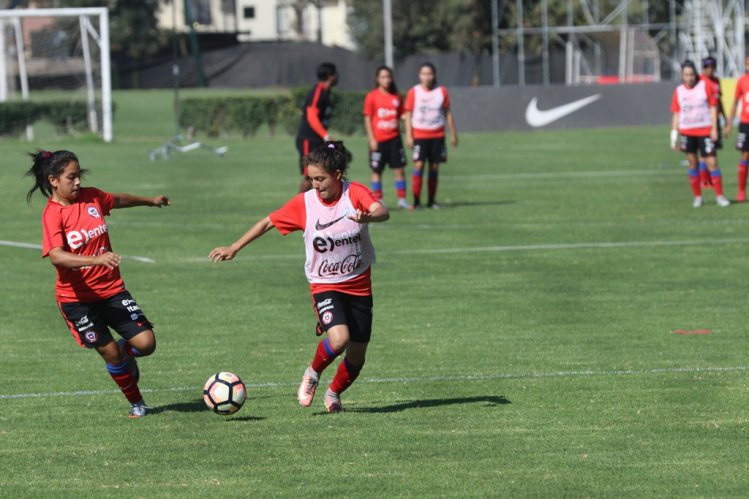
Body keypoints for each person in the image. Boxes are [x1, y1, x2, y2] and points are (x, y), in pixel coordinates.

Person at [209, 142, 389, 413]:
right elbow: (268, 221)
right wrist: (235, 247)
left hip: (359, 285)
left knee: (357, 355)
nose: (314, 185)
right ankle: (313, 373)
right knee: (339, 340)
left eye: (320, 179)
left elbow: (382, 211)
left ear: (337, 175)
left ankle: (333, 393)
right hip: (324, 285)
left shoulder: (355, 193)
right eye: (310, 179)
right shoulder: (305, 203)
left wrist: (369, 217)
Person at [25, 150, 171, 418]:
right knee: (111, 354)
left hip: (112, 291)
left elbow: (115, 200)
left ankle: (128, 356)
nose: (78, 181)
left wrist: (149, 201)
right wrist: (95, 258)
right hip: (77, 301)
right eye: (72, 177)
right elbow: (56, 256)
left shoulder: (91, 197)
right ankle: (138, 404)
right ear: (53, 180)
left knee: (146, 343)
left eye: (79, 175)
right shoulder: (53, 215)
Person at [670, 60, 729, 208]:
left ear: (695, 74)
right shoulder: (679, 91)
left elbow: (713, 107)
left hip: (704, 130)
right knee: (692, 163)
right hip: (687, 131)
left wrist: (714, 128)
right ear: (682, 75)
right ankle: (697, 197)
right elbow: (676, 114)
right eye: (686, 75)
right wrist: (674, 135)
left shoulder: (705, 86)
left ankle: (720, 196)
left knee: (712, 162)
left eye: (691, 74)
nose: (689, 77)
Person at [403, 62, 458, 209]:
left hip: (437, 135)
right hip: (420, 135)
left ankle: (431, 201)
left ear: (434, 75)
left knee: (434, 167)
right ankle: (416, 201)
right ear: (419, 75)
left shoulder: (442, 91)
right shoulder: (414, 92)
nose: (427, 77)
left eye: (429, 74)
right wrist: (409, 135)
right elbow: (408, 115)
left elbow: (448, 113)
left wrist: (453, 134)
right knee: (419, 165)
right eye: (424, 74)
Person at [363, 65, 410, 209]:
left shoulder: (397, 96)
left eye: (388, 77)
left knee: (399, 170)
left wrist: (407, 125)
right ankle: (379, 201)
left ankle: (402, 200)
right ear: (377, 79)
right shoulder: (372, 96)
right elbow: (367, 119)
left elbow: (403, 114)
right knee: (377, 171)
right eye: (383, 77)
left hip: (395, 139)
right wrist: (372, 139)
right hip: (379, 140)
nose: (386, 80)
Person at [295, 62, 338, 193]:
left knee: (320, 174)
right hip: (308, 139)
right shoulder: (318, 92)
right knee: (309, 176)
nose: (337, 77)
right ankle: (297, 209)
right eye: (335, 74)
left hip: (317, 140)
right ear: (330, 76)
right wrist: (325, 135)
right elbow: (311, 115)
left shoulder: (326, 92)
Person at [723, 55, 749, 202]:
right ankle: (741, 191)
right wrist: (729, 124)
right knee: (744, 156)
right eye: (747, 63)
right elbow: (735, 103)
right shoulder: (742, 81)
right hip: (746, 124)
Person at [698, 56, 726, 188]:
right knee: (705, 151)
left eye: (712, 66)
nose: (709, 69)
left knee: (712, 150)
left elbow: (719, 101)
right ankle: (704, 180)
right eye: (707, 67)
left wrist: (725, 118)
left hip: (715, 120)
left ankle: (709, 178)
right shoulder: (699, 81)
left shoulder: (716, 81)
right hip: (703, 120)